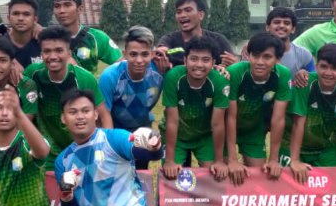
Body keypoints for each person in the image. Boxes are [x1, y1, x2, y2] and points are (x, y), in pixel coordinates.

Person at [22, 26, 112, 168]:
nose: (52, 56)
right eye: (47, 51)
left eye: (59, 50)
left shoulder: (84, 78)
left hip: (80, 148)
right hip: (47, 152)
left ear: (69, 53)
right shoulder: (33, 74)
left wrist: (106, 150)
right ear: (41, 54)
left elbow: (104, 116)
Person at [285, 43, 336, 184]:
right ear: (316, 66)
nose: (328, 73)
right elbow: (299, 123)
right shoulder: (304, 83)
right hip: (290, 146)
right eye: (324, 67)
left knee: (331, 186)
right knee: (288, 188)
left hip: (322, 147)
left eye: (335, 68)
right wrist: (295, 160)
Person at [160, 37, 230, 182]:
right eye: (193, 59)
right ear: (185, 61)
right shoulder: (173, 77)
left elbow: (217, 124)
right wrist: (170, 161)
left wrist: (219, 160)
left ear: (213, 63)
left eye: (205, 60)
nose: (199, 65)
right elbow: (172, 121)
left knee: (215, 175)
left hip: (204, 136)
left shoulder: (219, 81)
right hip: (178, 136)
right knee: (171, 177)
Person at [225, 32, 292, 184]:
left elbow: (278, 119)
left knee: (258, 176)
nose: (260, 62)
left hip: (253, 131)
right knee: (224, 172)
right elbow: (230, 116)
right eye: (255, 56)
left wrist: (274, 159)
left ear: (277, 59)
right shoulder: (235, 73)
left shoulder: (283, 75)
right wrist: (232, 159)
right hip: (226, 129)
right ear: (248, 56)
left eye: (267, 57)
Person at [97, 26, 164, 170]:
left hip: (142, 126)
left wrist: (219, 68)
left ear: (152, 54)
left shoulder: (161, 70)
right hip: (116, 127)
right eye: (133, 54)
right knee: (117, 170)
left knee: (139, 171)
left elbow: (189, 59)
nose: (139, 60)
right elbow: (104, 116)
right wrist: (110, 147)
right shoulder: (110, 76)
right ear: (124, 54)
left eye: (145, 54)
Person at [155, 0, 237, 72]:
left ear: (201, 15)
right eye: (179, 12)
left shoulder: (218, 40)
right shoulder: (169, 39)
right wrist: (160, 53)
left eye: (188, 10)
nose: (182, 15)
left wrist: (234, 65)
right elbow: (161, 50)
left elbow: (233, 65)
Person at [51, 0, 122, 73]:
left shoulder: (97, 37)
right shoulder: (48, 39)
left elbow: (121, 65)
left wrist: (105, 81)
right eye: (57, 6)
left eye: (67, 5)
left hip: (88, 86)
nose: (61, 10)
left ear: (80, 9)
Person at [257, 6, 314, 87]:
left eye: (286, 23)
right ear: (267, 27)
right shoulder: (255, 52)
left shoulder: (304, 55)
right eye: (277, 22)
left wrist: (306, 75)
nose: (281, 26)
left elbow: (315, 81)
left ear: (293, 29)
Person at [0, 0, 44, 71]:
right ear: (8, 18)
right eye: (16, 13)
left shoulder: (44, 42)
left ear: (35, 19)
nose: (20, 18)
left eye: (26, 14)